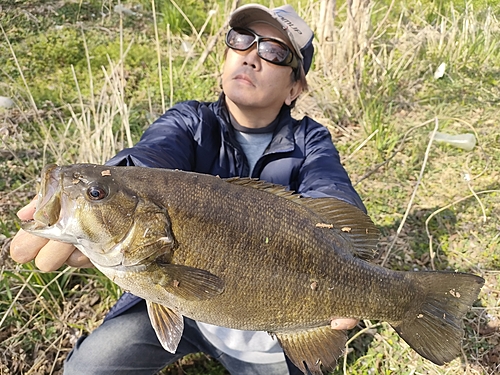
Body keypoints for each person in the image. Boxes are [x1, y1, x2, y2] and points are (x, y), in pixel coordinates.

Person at [11, 4, 363, 375]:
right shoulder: (189, 120)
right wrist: (102, 192)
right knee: (90, 368)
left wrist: (345, 265)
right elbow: (148, 159)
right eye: (240, 40)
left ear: (296, 87)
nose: (250, 57)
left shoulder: (311, 139)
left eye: (274, 52)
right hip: (168, 296)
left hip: (268, 314)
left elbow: (332, 192)